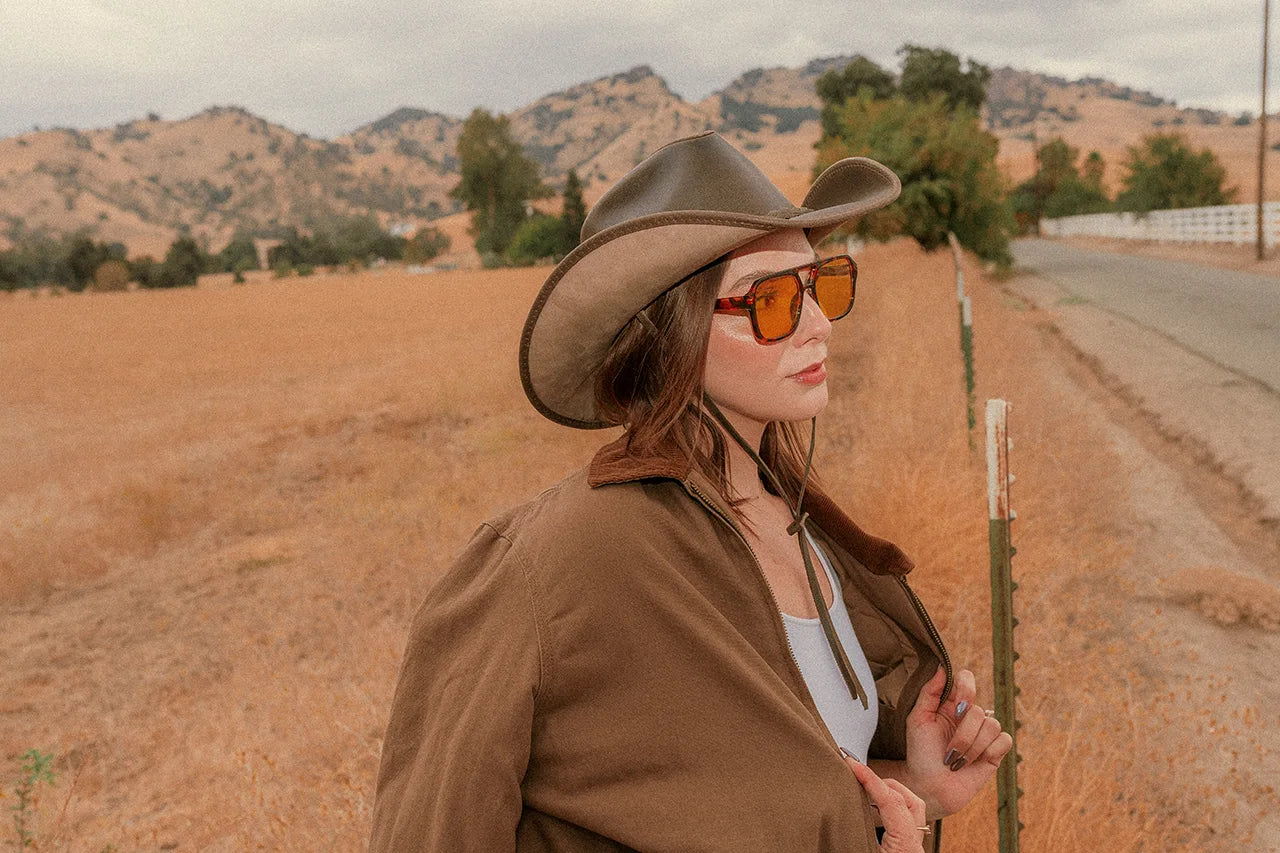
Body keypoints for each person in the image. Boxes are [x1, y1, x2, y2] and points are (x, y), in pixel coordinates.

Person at [369, 131, 1012, 853]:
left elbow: (766, 798)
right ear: (669, 333)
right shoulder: (550, 565)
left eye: (821, 285)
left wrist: (913, 785)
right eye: (770, 299)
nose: (821, 325)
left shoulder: (798, 522)